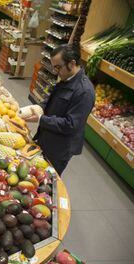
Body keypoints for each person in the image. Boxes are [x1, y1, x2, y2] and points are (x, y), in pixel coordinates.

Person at [25, 45, 95, 176]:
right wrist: (39, 107)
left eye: (58, 67)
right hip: (47, 136)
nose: (55, 71)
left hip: (59, 148)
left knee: (47, 179)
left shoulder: (84, 92)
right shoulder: (66, 79)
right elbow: (53, 99)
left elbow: (71, 125)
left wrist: (41, 119)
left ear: (72, 63)